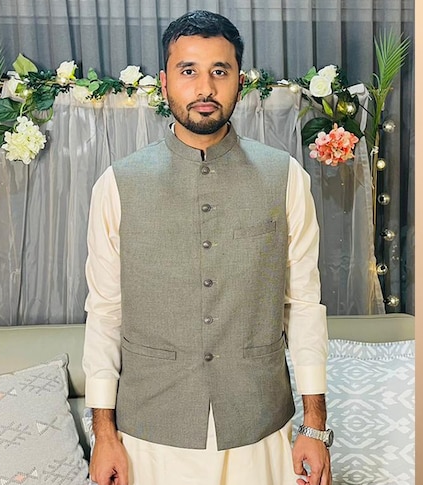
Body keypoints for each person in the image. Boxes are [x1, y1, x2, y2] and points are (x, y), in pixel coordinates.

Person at [82, 10, 332, 485]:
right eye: (188, 71)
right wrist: (105, 434)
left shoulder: (286, 179)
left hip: (261, 431)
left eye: (220, 71)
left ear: (240, 79)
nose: (205, 88)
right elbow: (105, 313)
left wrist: (314, 426)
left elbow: (303, 307)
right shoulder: (117, 185)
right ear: (163, 82)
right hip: (148, 436)